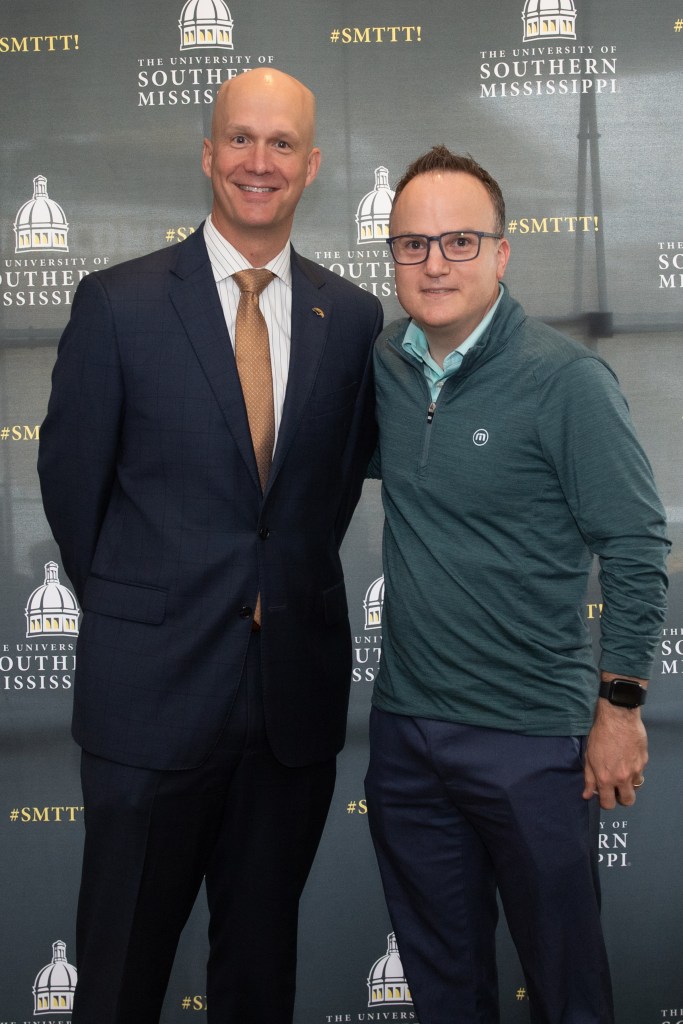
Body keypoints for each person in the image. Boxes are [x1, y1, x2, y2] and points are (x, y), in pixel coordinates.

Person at [38, 68, 383, 1024]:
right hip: (148, 701)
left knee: (258, 979)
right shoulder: (118, 303)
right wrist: (148, 610)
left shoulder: (352, 318)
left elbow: (325, 495)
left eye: (281, 144)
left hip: (289, 710)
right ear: (206, 153)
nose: (258, 161)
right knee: (118, 976)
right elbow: (72, 492)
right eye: (240, 138)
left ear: (312, 165)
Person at [364, 146, 669, 1024]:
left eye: (459, 241)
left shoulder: (565, 380)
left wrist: (619, 706)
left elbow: (636, 542)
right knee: (442, 989)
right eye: (413, 244)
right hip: (406, 735)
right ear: (393, 257)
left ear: (501, 252)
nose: (434, 264)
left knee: (566, 990)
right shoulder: (383, 362)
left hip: (531, 740)